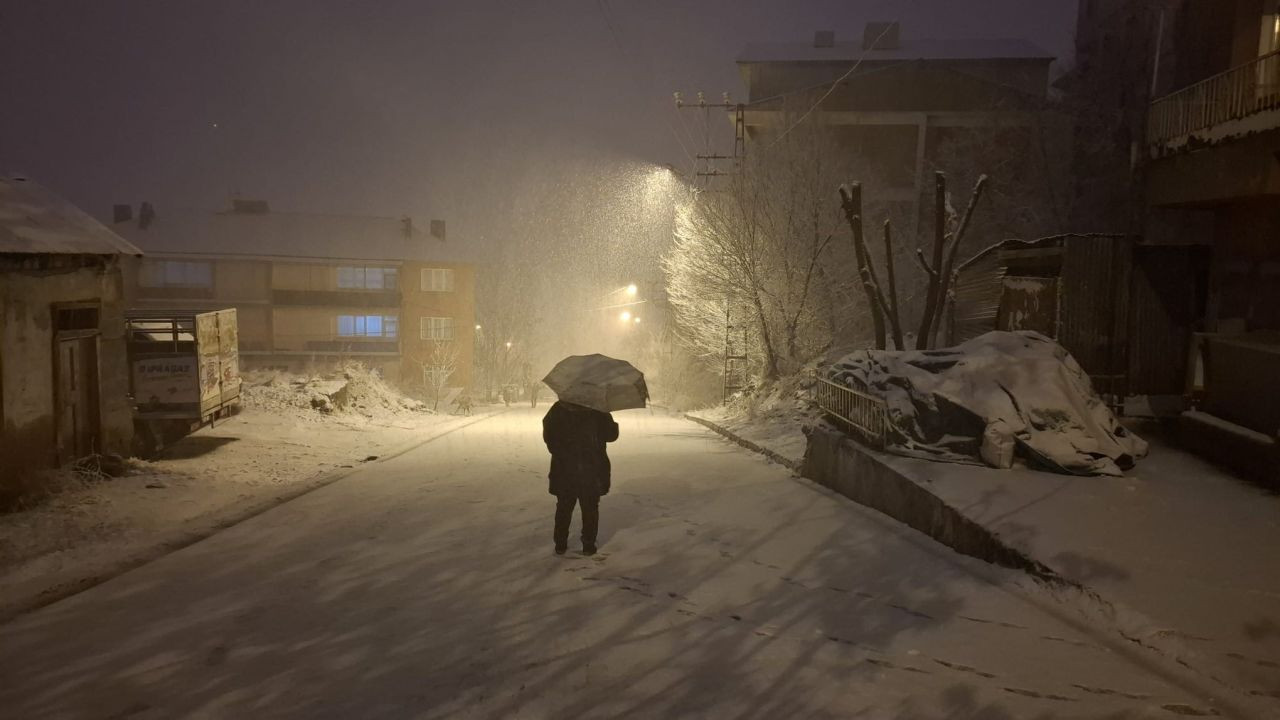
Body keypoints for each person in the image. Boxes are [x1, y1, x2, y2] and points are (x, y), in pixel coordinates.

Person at [542, 399, 618, 555]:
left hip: (564, 468)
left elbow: (548, 435)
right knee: (590, 507)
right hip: (592, 468)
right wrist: (611, 422)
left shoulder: (559, 408)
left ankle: (560, 543)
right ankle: (588, 545)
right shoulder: (598, 409)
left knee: (564, 506)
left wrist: (559, 451)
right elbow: (611, 435)